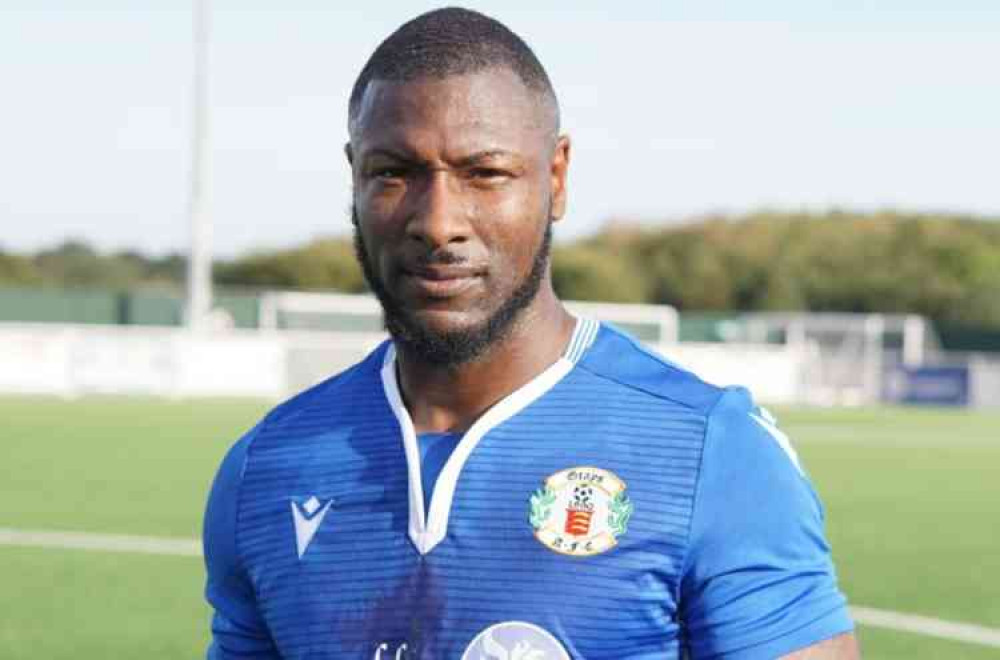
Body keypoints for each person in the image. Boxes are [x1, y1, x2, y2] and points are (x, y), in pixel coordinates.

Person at [203, 7, 859, 659]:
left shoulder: (712, 452)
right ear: (354, 179)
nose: (438, 222)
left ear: (556, 176)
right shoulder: (264, 470)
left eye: (483, 173)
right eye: (393, 172)